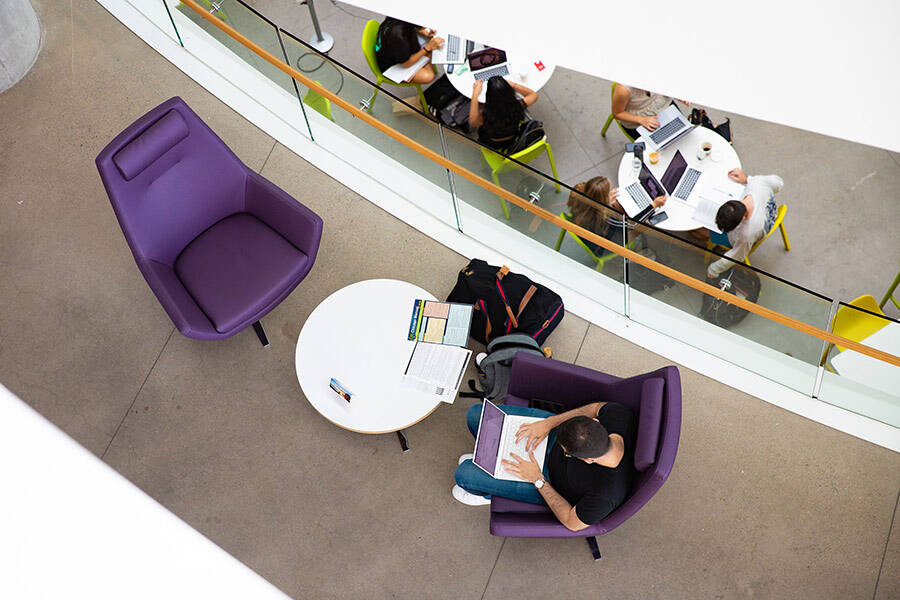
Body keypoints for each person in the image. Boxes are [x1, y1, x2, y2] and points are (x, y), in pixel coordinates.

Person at [452, 400, 637, 531]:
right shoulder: (618, 414)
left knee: (463, 475)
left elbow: (572, 523)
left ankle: (486, 493)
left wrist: (537, 479)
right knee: (475, 414)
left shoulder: (605, 496)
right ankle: (489, 458)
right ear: (595, 423)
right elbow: (596, 407)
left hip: (546, 479)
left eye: (565, 452)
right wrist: (550, 423)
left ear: (588, 461)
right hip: (552, 435)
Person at [707, 168, 784, 279]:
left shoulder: (746, 233)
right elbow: (779, 183)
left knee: (698, 232)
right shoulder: (757, 183)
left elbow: (736, 256)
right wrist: (747, 179)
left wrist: (713, 270)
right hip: (772, 216)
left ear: (742, 219)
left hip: (756, 232)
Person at [567, 176, 666, 256]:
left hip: (584, 227)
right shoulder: (607, 219)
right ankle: (638, 249)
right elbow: (632, 225)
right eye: (608, 193)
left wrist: (607, 202)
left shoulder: (579, 192)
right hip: (601, 248)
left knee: (618, 205)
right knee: (647, 223)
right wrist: (654, 206)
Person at [468, 76, 539, 153]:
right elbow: (534, 95)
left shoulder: (485, 115)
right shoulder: (518, 106)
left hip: (491, 143)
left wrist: (475, 93)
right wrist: (513, 85)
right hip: (512, 139)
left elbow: (472, 121)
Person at [374, 18, 442, 84]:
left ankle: (426, 57)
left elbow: (407, 25)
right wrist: (427, 48)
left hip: (395, 48)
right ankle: (426, 58)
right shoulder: (398, 36)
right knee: (428, 76)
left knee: (431, 45)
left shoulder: (399, 20)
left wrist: (421, 30)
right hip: (392, 66)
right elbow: (406, 64)